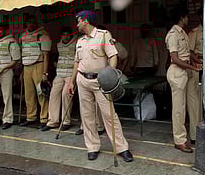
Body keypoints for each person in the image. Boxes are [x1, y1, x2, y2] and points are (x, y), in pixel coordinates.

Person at [67, 10, 133, 162]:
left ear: (85, 21)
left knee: (110, 115)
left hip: (100, 82)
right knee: (87, 116)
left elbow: (113, 56)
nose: (77, 24)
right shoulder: (80, 41)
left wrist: (110, 75)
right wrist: (71, 81)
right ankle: (92, 147)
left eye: (78, 21)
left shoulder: (103, 35)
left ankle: (121, 148)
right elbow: (77, 62)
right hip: (82, 80)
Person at [165, 5, 202, 153]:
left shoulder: (183, 33)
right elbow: (174, 58)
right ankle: (179, 140)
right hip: (178, 72)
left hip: (186, 71)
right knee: (179, 108)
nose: (188, 19)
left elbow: (187, 53)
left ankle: (194, 135)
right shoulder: (173, 34)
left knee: (193, 104)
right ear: (181, 17)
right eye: (186, 16)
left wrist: (195, 62)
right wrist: (193, 67)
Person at [41, 27, 77, 132]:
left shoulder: (76, 43)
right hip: (60, 74)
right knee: (53, 94)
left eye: (67, 34)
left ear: (70, 35)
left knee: (66, 95)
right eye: (63, 34)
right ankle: (53, 121)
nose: (65, 37)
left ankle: (66, 121)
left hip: (70, 74)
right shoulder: (59, 45)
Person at [19, 15, 52, 127]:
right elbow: (22, 53)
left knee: (41, 93)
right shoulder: (22, 36)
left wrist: (45, 73)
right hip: (26, 66)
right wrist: (21, 71)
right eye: (29, 22)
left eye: (33, 22)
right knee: (29, 95)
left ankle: (44, 118)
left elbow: (46, 56)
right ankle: (31, 117)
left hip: (39, 65)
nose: (31, 24)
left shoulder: (43, 35)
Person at [186, 8, 203, 144]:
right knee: (195, 101)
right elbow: (189, 51)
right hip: (197, 68)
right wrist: (197, 60)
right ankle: (195, 133)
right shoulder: (195, 32)